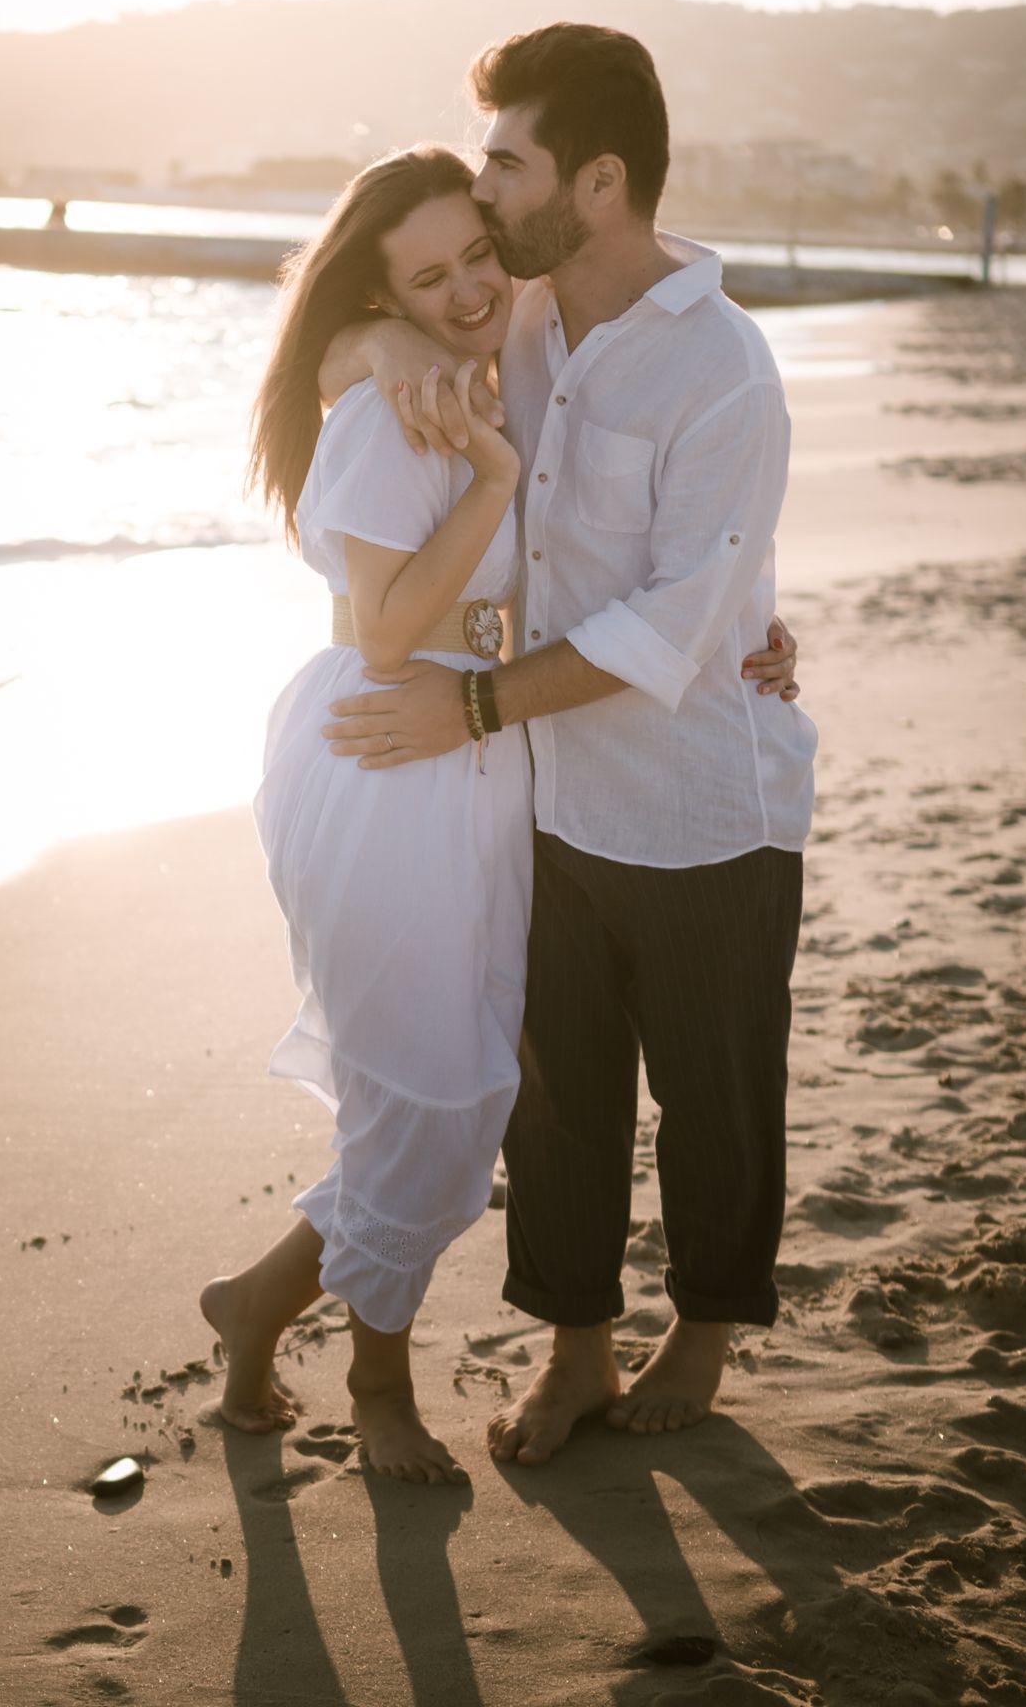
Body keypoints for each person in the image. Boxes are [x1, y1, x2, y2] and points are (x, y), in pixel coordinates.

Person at [200, 142, 797, 1484]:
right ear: (384, 292)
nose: (472, 284)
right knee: (435, 1089)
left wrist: (746, 622)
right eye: (431, 275)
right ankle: (373, 1391)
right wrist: (478, 464)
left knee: (455, 1088)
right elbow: (401, 627)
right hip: (391, 749)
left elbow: (629, 545)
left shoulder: (506, 343)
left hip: (485, 747)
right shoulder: (392, 404)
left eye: (477, 248)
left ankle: (259, 1306)